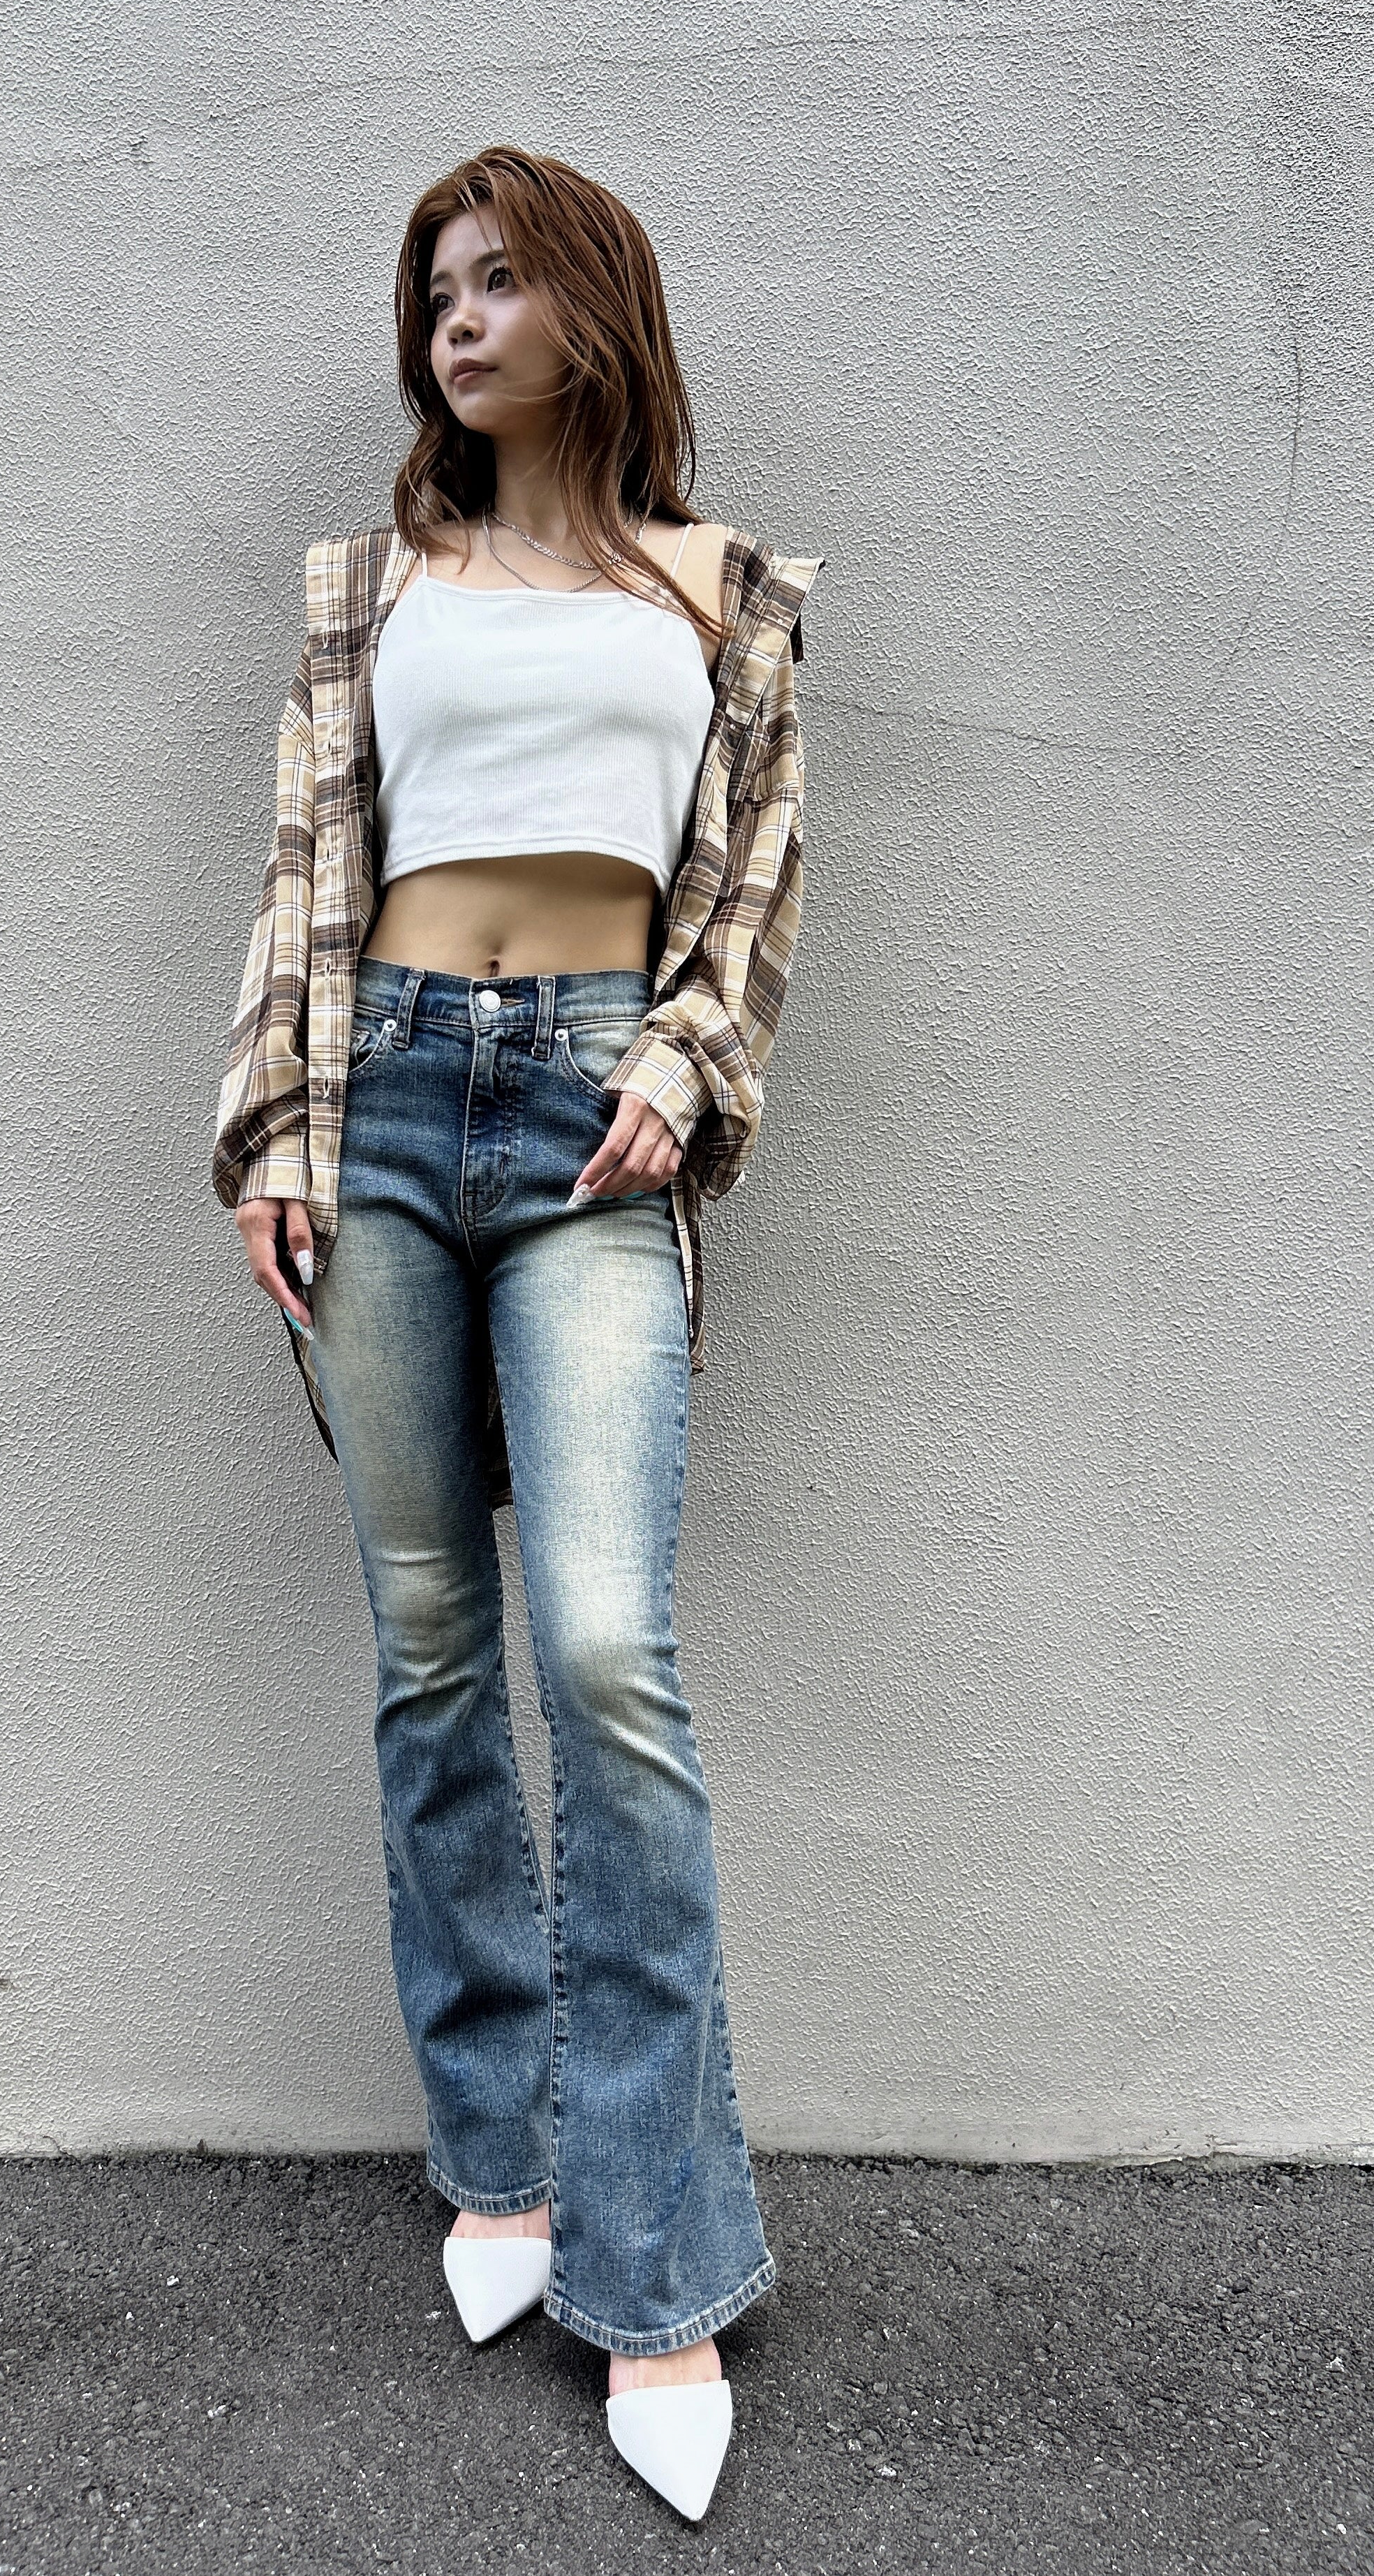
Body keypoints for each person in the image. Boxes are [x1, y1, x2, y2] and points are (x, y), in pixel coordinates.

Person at [212, 143, 819, 2522]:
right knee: (428, 1643)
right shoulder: (374, 587)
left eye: (496, 282)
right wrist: (272, 1122)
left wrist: (682, 1064)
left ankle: (654, 2262)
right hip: (375, 1102)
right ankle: (497, 2151)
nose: (456, 322)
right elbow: (303, 870)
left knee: (603, 1651)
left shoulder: (719, 590)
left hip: (587, 1120)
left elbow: (751, 891)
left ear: (592, 305)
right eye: (435, 293)